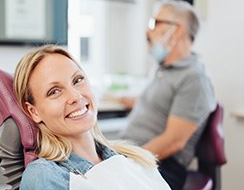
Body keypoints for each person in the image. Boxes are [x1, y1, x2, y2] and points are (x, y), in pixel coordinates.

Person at [12, 45, 171, 190]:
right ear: (34, 112)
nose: (75, 95)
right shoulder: (44, 176)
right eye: (54, 91)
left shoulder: (134, 158)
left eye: (77, 80)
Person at [118, 0, 216, 190]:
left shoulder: (194, 78)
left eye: (154, 23)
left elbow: (173, 142)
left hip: (160, 166)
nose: (148, 31)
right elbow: (156, 104)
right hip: (134, 154)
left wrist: (124, 162)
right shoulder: (162, 68)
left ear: (176, 30)